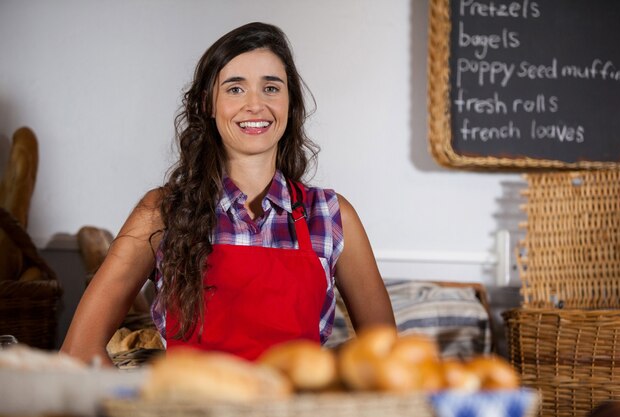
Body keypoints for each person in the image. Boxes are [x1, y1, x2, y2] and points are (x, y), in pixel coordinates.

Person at [61, 22, 395, 365]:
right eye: (235, 89)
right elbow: (78, 352)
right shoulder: (162, 212)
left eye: (271, 88)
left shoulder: (331, 215)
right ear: (208, 103)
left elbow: (386, 361)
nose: (255, 105)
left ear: (289, 102)